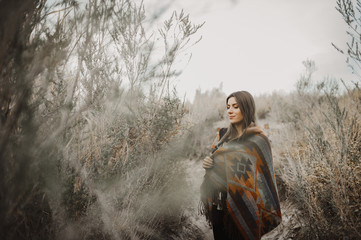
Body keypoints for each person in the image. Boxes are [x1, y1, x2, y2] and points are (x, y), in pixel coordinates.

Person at [200, 91, 282, 240]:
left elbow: (263, 177)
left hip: (245, 205)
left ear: (246, 108)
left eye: (235, 106)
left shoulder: (258, 141)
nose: (230, 111)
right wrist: (208, 164)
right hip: (219, 204)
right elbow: (214, 160)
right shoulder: (222, 135)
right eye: (228, 107)